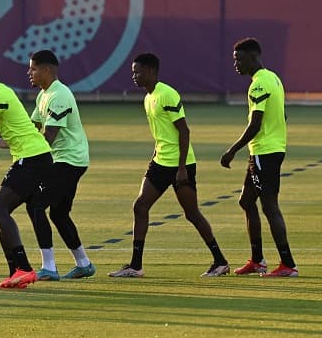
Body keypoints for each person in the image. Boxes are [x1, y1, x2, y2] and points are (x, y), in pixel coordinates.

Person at [109, 52, 229, 278]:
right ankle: (136, 265)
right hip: (160, 162)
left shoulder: (167, 94)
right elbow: (162, 134)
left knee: (192, 213)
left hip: (179, 165)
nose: (134, 76)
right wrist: (155, 155)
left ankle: (220, 261)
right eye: (133, 71)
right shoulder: (148, 98)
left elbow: (184, 131)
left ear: (152, 72)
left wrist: (182, 168)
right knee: (140, 206)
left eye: (138, 71)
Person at [0, 55, 52, 289]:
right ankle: (17, 271)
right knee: (1, 210)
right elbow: (3, 136)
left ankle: (23, 268)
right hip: (33, 156)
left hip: (32, 157)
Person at [221, 38, 298, 277]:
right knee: (246, 201)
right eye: (234, 59)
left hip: (265, 151)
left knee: (269, 206)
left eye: (239, 59)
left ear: (254, 57)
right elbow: (282, 116)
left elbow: (255, 125)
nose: (236, 64)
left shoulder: (259, 85)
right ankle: (257, 260)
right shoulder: (272, 78)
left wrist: (232, 150)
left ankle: (288, 264)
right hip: (265, 150)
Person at [26, 50, 96, 280]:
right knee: (59, 213)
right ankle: (84, 263)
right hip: (66, 160)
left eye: (33, 68)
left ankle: (49, 267)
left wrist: (30, 162)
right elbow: (30, 129)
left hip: (69, 160)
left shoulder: (59, 95)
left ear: (47, 70)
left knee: (36, 205)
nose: (29, 73)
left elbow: (48, 137)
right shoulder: (43, 95)